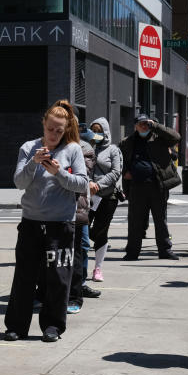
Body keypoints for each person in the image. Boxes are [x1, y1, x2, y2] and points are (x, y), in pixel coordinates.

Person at [3, 100, 89, 343]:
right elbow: (19, 182)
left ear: (66, 129)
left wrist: (59, 173)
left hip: (60, 224)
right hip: (31, 222)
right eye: (50, 128)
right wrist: (34, 163)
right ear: (43, 124)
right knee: (24, 276)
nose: (54, 134)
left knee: (58, 278)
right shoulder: (29, 148)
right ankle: (16, 326)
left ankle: (52, 326)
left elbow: (82, 184)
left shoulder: (72, 149)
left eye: (59, 130)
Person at [118, 113, 181, 261]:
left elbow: (176, 137)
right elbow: (120, 160)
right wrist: (125, 172)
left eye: (146, 123)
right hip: (137, 187)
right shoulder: (127, 142)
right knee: (135, 221)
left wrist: (156, 126)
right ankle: (132, 252)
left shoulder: (159, 139)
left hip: (157, 185)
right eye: (141, 124)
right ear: (135, 126)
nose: (144, 126)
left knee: (160, 220)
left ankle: (165, 250)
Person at [67, 123, 98, 313]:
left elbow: (81, 177)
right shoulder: (45, 147)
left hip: (77, 207)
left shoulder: (83, 148)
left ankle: (75, 293)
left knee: (78, 250)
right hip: (51, 209)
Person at [87, 118, 123, 282]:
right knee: (83, 229)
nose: (96, 134)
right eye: (93, 130)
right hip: (88, 196)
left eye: (99, 130)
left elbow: (116, 173)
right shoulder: (87, 147)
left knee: (99, 232)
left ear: (106, 131)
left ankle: (98, 268)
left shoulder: (114, 150)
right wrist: (88, 184)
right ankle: (80, 268)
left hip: (107, 196)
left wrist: (98, 185)